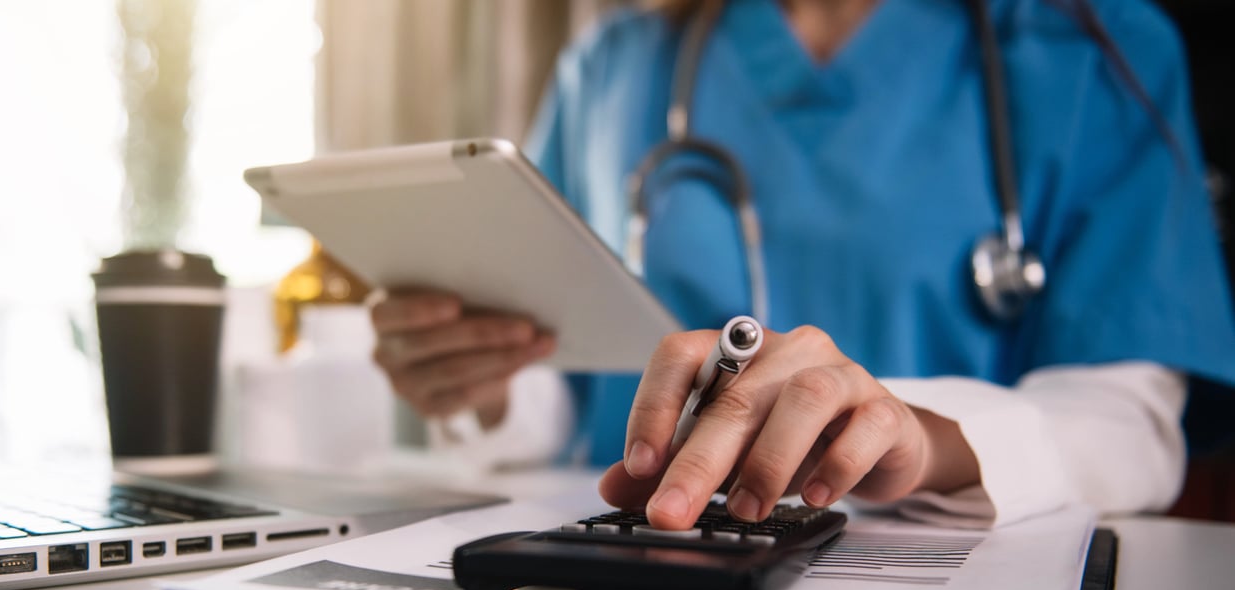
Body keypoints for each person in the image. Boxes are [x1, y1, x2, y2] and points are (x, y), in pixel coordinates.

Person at [370, 0, 1235, 530]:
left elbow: (1129, 427)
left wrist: (915, 435)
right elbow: (569, 384)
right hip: (632, 564)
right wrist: (485, 388)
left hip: (929, 580)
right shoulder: (611, 64)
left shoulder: (1094, 49)